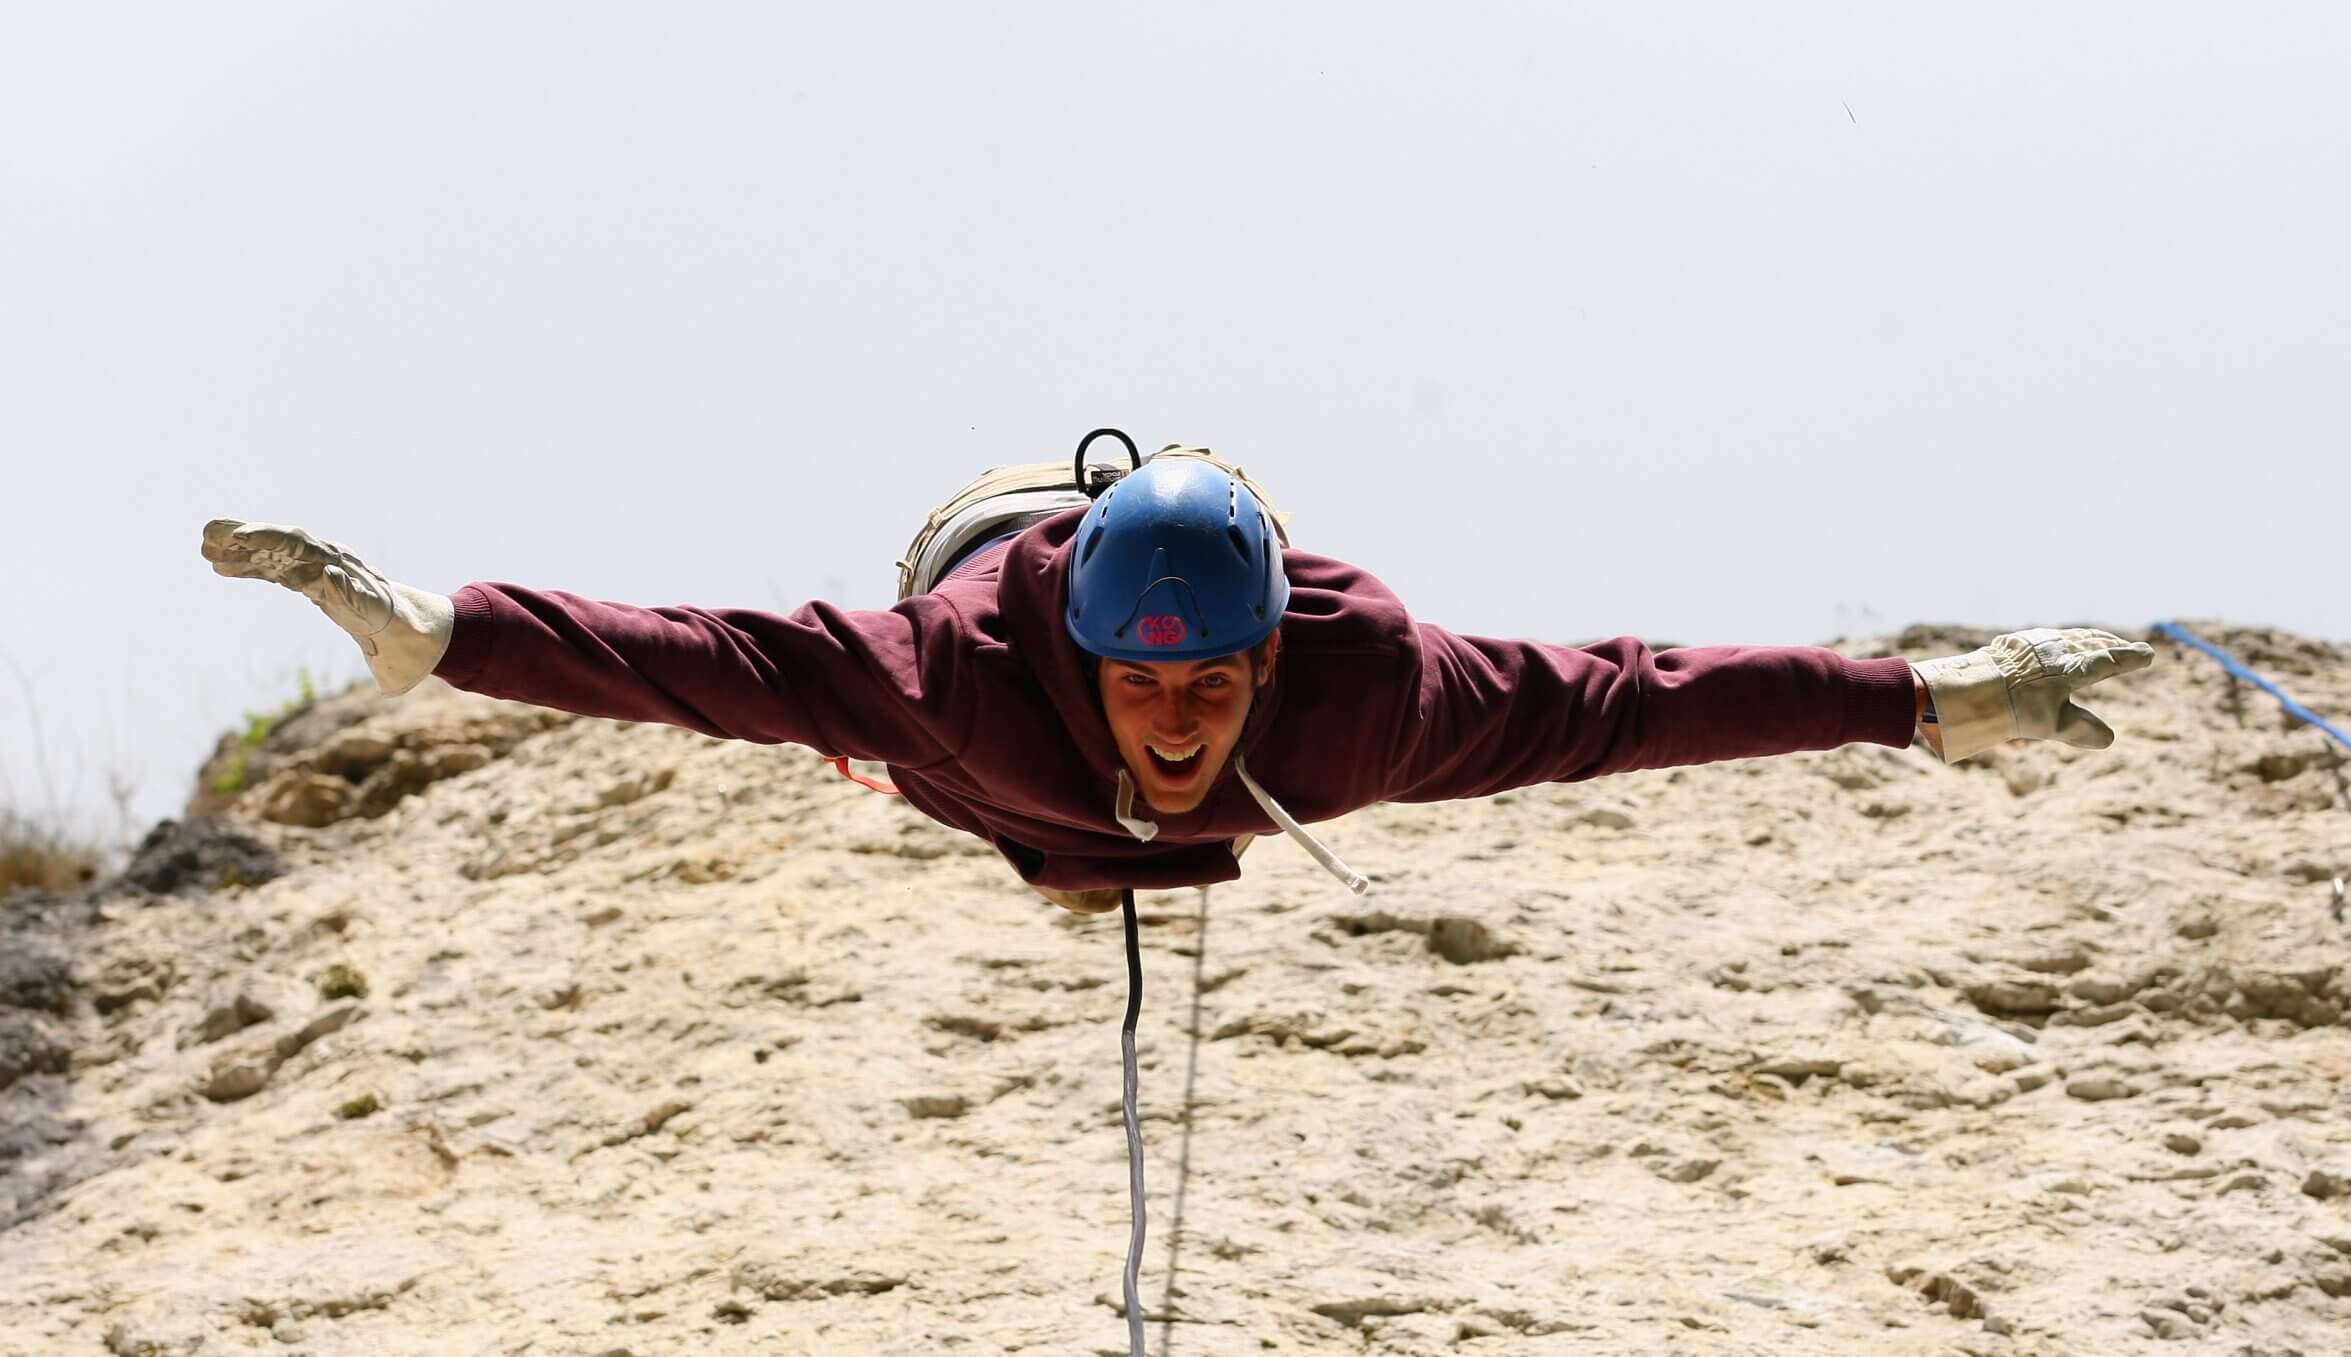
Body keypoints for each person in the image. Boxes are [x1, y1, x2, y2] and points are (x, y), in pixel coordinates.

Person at [200, 434, 2154, 911]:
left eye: (1207, 680)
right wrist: (446, 637)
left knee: (1108, 832)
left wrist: (1911, 699)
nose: (1179, 709)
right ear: (1073, 643)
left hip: (1105, 827)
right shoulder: (946, 675)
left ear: (1261, 649)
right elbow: (706, 663)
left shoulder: (1370, 703)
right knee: (892, 762)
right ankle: (1058, 845)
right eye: (1145, 684)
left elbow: (1636, 696)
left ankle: (1097, 861)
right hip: (985, 788)